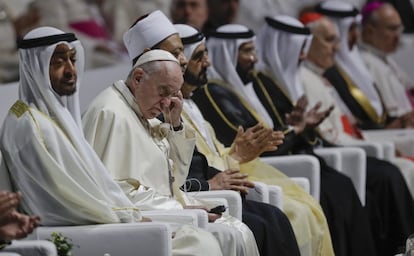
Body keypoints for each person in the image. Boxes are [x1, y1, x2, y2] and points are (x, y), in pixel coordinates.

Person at [0, 26, 223, 256]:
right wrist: (130, 218)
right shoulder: (32, 125)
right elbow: (63, 201)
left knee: (210, 236)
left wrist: (135, 215)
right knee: (201, 244)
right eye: (58, 62)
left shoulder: (51, 118)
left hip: (113, 220)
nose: (70, 70)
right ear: (35, 66)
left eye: (73, 60)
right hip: (90, 233)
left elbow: (95, 189)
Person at [194, 22, 381, 256]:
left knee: (341, 188)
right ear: (227, 53)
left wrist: (297, 126)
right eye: (246, 52)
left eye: (253, 51)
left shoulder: (256, 84)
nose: (253, 59)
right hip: (250, 167)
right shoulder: (213, 93)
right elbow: (253, 141)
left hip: (269, 162)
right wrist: (296, 129)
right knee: (326, 197)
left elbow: (272, 131)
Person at [82, 10, 258, 256]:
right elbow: (113, 193)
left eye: (173, 94)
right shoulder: (110, 113)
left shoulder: (145, 111)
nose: (167, 102)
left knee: (238, 229)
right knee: (217, 240)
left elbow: (175, 176)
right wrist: (177, 209)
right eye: (163, 91)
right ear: (139, 77)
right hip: (143, 224)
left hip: (164, 211)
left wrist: (175, 125)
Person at [176, 23, 303, 256]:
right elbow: (191, 166)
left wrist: (236, 154)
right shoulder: (185, 104)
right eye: (199, 56)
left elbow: (214, 154)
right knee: (276, 219)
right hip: (198, 196)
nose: (208, 63)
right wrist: (234, 157)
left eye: (206, 54)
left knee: (279, 216)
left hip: (220, 185)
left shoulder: (192, 103)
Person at [297, 13, 414, 256]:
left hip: (350, 147)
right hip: (332, 152)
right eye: (329, 40)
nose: (337, 48)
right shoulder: (304, 79)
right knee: (393, 172)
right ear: (308, 44)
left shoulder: (321, 77)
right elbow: (329, 134)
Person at [360, 2, 414, 123]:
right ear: (369, 31)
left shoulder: (384, 58)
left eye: (400, 28)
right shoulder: (365, 62)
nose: (398, 35)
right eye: (392, 29)